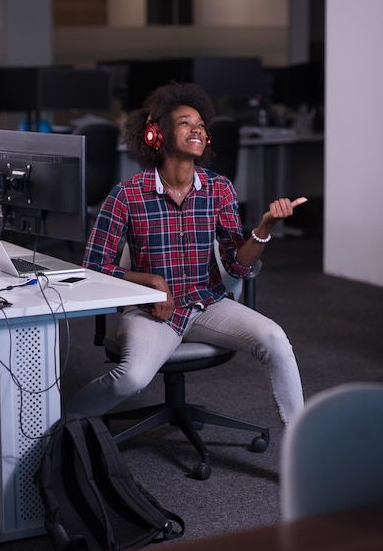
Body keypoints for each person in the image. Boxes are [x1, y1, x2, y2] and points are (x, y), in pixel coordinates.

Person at [66, 82, 306, 426]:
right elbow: (93, 266)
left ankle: (303, 444)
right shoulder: (126, 195)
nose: (197, 129)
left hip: (207, 304)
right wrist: (150, 283)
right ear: (156, 135)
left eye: (201, 125)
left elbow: (237, 266)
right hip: (153, 312)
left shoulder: (219, 188)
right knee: (132, 378)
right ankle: (58, 428)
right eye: (184, 123)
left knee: (276, 340)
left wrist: (264, 227)